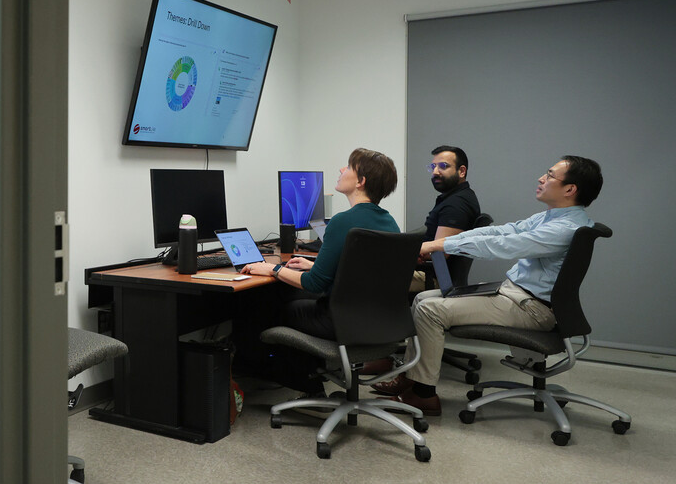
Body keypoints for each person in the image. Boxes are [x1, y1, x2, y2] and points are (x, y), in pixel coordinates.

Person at [373, 155, 603, 416]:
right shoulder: (552, 217)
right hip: (517, 295)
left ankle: (424, 395)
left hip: (530, 308)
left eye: (550, 175)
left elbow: (502, 246)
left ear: (570, 189)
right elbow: (501, 232)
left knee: (430, 310)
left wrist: (441, 244)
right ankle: (412, 378)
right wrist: (445, 243)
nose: (541, 178)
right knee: (422, 299)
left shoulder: (564, 228)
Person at [240, 148, 400, 398]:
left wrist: (273, 268)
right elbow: (363, 272)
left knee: (278, 304)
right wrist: (314, 264)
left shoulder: (342, 221)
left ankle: (306, 386)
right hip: (377, 323)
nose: (340, 170)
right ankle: (308, 379)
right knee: (292, 296)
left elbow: (314, 284)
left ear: (361, 182)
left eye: (348, 167)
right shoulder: (389, 222)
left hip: (342, 323)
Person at [412, 145, 481, 292]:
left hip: (434, 278)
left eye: (443, 166)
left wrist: (412, 254)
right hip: (430, 273)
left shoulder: (457, 204)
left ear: (461, 171)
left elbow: (441, 252)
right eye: (433, 167)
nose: (435, 172)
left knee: (370, 276)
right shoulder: (455, 198)